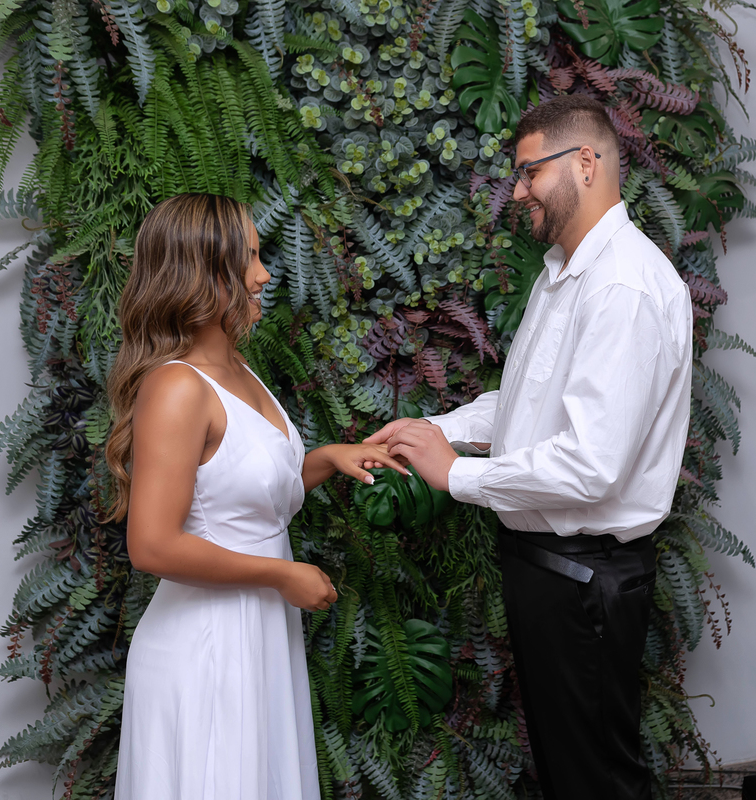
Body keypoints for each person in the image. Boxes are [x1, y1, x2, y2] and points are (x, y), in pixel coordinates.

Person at [366, 95, 694, 800]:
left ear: (586, 162)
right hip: (552, 573)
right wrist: (438, 432)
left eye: (528, 172)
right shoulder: (564, 273)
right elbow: (530, 405)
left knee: (598, 783)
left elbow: (590, 464)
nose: (517, 193)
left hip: (584, 580)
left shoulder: (622, 287)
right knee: (571, 776)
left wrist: (457, 476)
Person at [106, 193, 406, 800]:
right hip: (208, 648)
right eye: (248, 258)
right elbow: (152, 545)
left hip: (259, 637)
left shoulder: (237, 369)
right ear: (202, 270)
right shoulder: (177, 387)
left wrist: (324, 458)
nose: (264, 274)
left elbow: (242, 498)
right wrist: (281, 575)